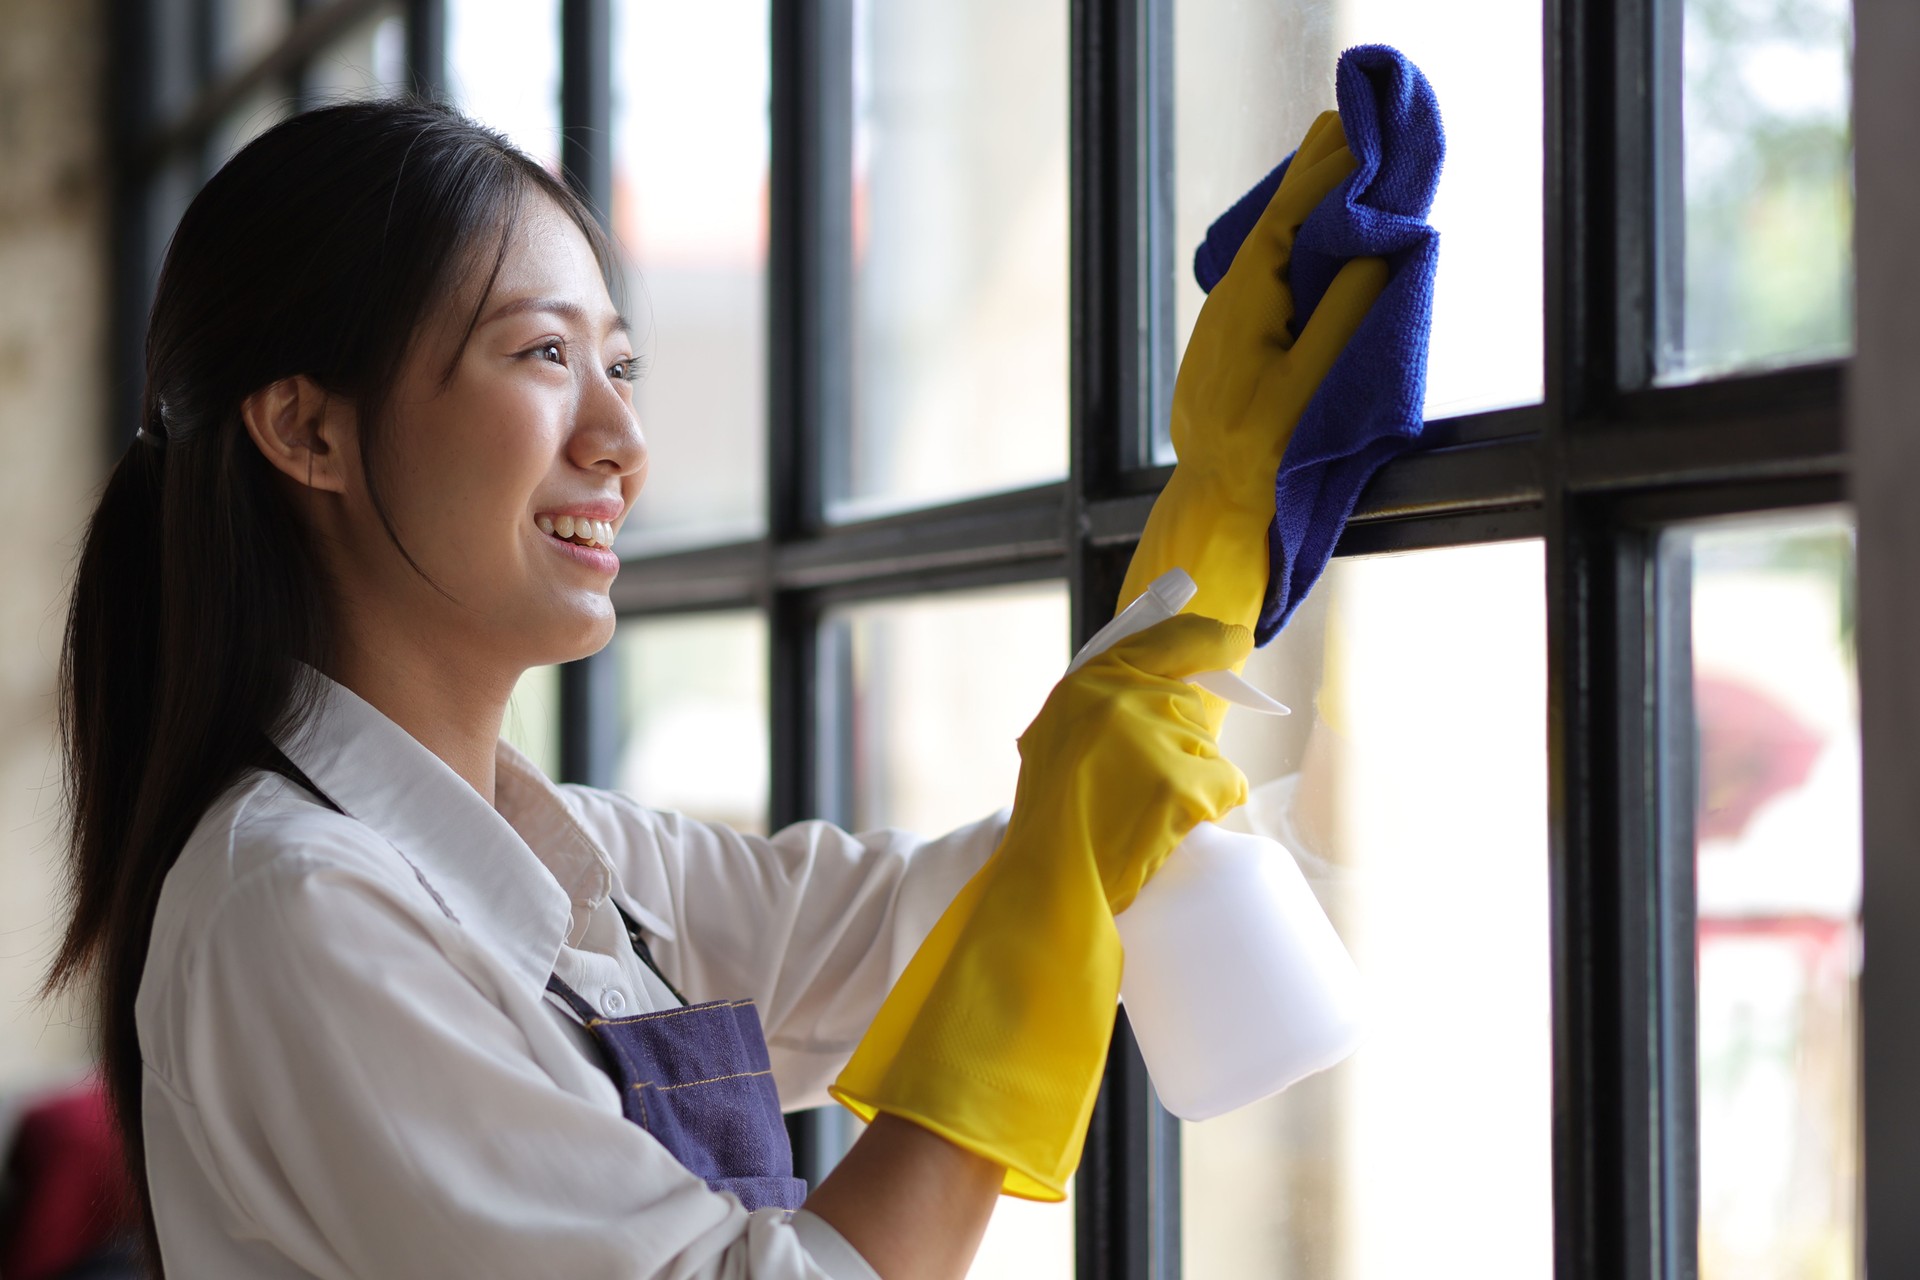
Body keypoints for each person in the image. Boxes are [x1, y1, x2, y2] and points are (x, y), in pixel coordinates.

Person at [43, 99, 1255, 1279]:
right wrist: (1057, 884)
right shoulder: (298, 905)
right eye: (545, 352)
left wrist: (1220, 539)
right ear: (306, 430)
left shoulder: (583, 868)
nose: (622, 437)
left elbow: (929, 924)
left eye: (619, 362)